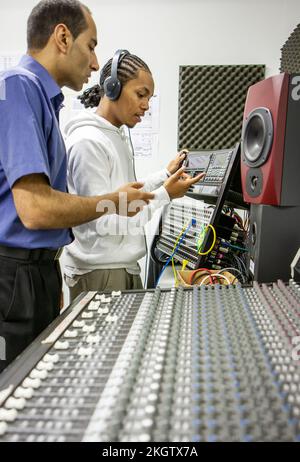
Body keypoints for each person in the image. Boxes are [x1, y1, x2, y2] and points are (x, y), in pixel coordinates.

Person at [0, 1, 156, 372]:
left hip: (37, 272)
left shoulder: (43, 98)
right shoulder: (18, 88)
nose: (94, 63)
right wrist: (114, 203)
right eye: (91, 45)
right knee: (13, 391)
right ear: (63, 37)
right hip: (15, 276)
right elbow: (35, 210)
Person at [64, 50, 204, 301]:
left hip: (119, 266)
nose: (146, 105)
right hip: (101, 273)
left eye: (149, 97)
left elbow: (124, 196)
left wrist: (165, 174)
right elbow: (104, 223)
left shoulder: (113, 135)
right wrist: (165, 195)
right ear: (113, 88)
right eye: (141, 94)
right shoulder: (89, 142)